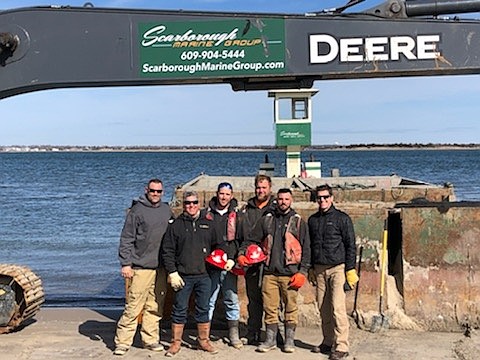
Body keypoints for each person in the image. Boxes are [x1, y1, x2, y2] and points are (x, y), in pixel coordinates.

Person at [113, 178, 174, 356]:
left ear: (163, 192)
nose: (155, 194)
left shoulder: (166, 210)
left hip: (160, 267)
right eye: (152, 191)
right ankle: (123, 342)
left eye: (159, 191)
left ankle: (150, 339)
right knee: (133, 306)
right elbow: (126, 238)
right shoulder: (137, 210)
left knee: (155, 306)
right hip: (140, 267)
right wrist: (125, 263)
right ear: (146, 190)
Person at [161, 191, 218, 357]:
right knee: (179, 309)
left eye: (194, 202)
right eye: (187, 203)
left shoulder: (209, 223)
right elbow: (168, 250)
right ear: (183, 205)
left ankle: (203, 341)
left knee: (203, 308)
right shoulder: (175, 225)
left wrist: (222, 261)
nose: (191, 206)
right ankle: (175, 343)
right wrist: (172, 272)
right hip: (183, 276)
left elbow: (218, 246)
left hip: (204, 275)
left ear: (199, 203)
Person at [256, 188, 310, 353]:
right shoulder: (267, 220)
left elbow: (307, 249)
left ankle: (289, 341)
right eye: (280, 199)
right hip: (269, 273)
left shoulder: (299, 222)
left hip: (291, 274)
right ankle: (270, 340)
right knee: (269, 308)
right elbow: (254, 240)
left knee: (291, 308)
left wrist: (303, 272)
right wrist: (245, 253)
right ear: (276, 200)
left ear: (291, 200)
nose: (283, 202)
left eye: (286, 199)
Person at [308, 184, 359, 360]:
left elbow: (351, 245)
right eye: (319, 198)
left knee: (337, 308)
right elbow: (310, 245)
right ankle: (328, 341)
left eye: (325, 197)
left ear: (332, 198)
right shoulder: (313, 220)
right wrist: (310, 268)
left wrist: (350, 270)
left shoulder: (342, 219)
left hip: (338, 268)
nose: (322, 200)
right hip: (319, 269)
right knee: (323, 309)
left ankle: (342, 345)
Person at [237, 174, 276, 345]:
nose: (261, 191)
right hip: (251, 260)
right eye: (258, 188)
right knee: (253, 298)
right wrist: (241, 253)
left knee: (272, 299)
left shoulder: (276, 209)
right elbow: (240, 234)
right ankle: (252, 332)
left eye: (264, 188)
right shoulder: (247, 209)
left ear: (270, 188)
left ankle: (273, 334)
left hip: (271, 261)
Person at [206, 182, 243, 348]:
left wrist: (234, 258)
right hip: (211, 264)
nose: (224, 197)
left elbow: (240, 239)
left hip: (229, 265)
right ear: (217, 194)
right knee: (209, 300)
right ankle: (204, 334)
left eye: (227, 194)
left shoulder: (237, 215)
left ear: (232, 195)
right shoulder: (207, 214)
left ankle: (234, 334)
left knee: (231, 299)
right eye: (221, 194)